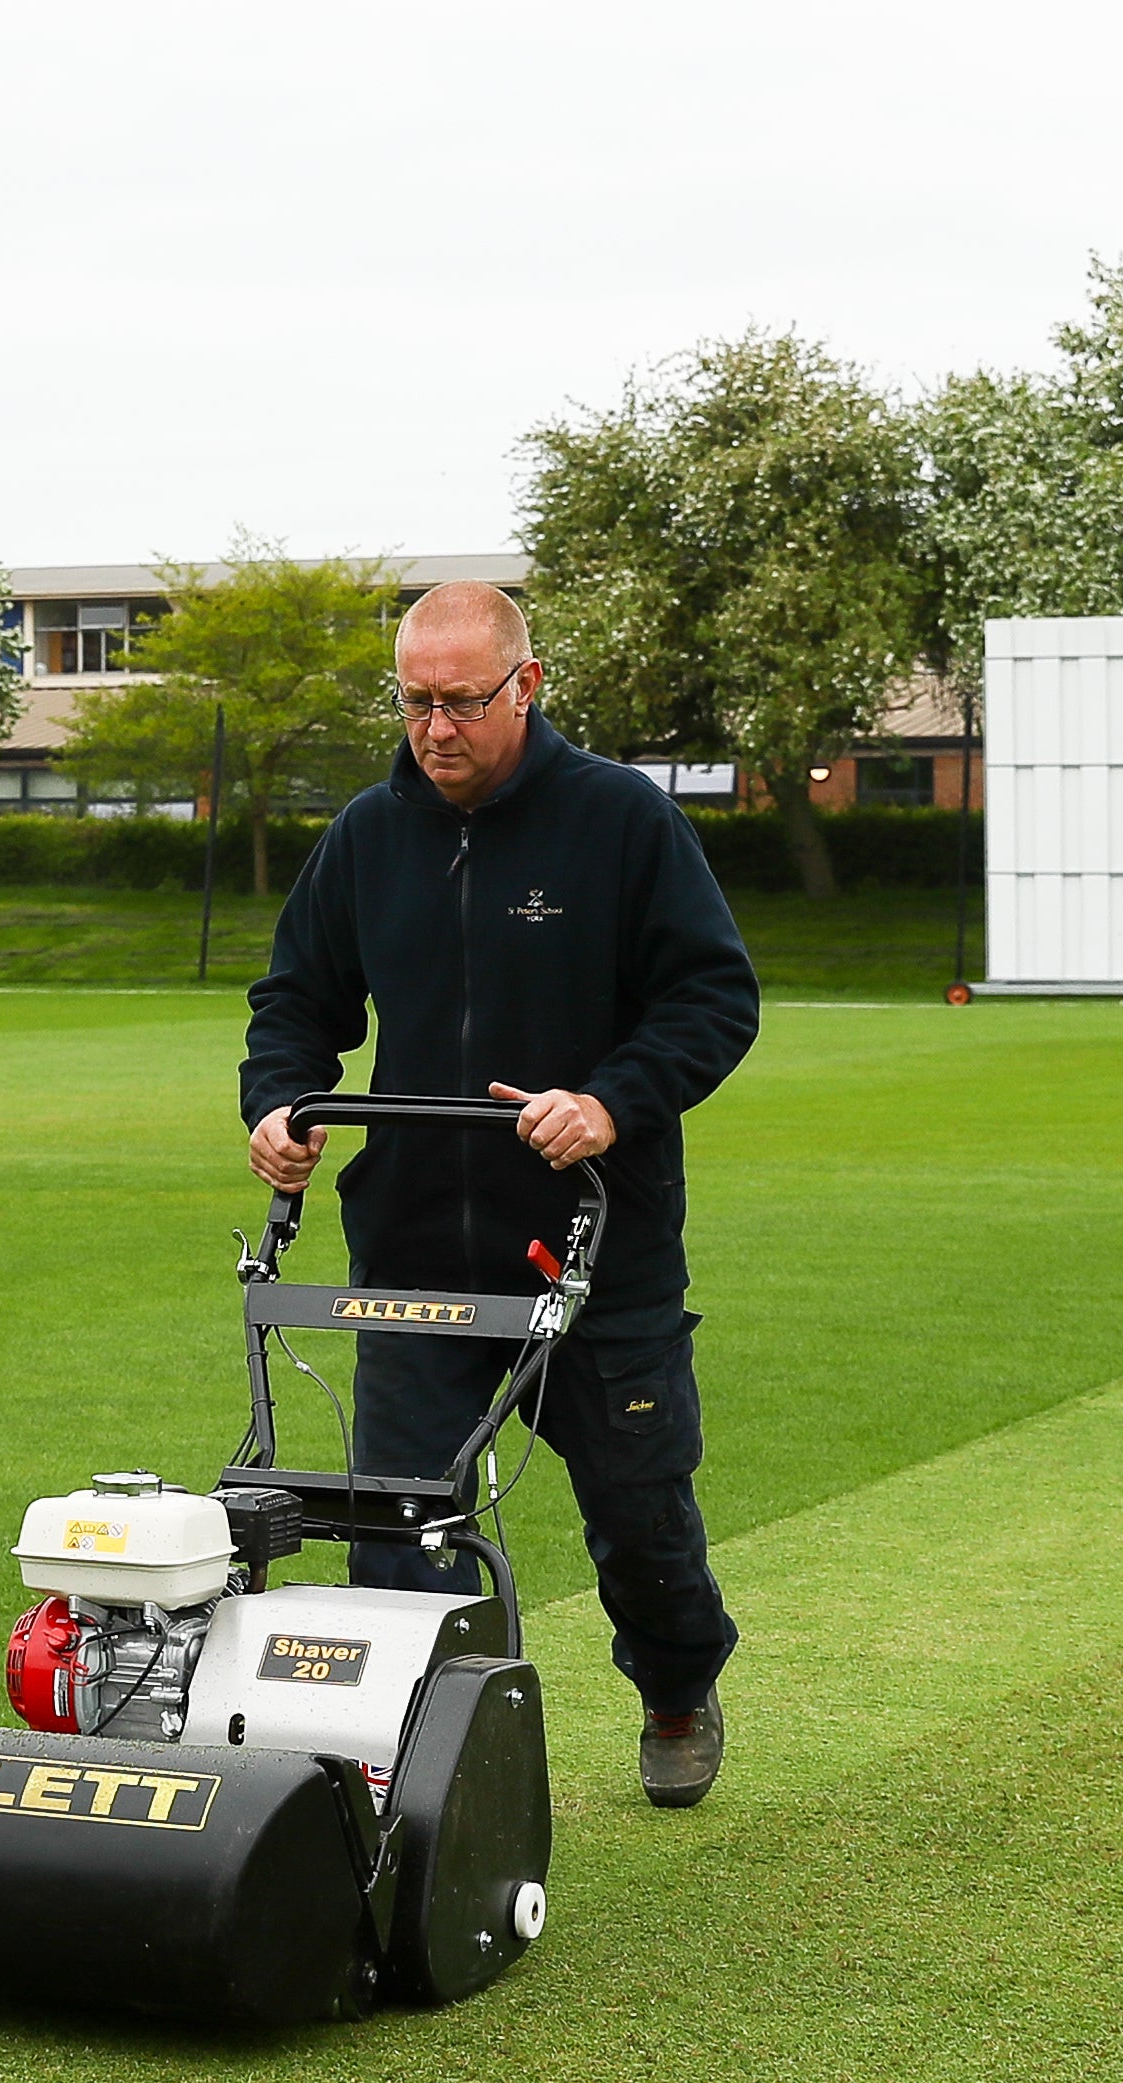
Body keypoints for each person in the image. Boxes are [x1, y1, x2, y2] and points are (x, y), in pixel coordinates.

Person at [240, 580, 761, 1808]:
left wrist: (611, 1100)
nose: (437, 726)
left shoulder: (620, 822)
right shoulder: (368, 836)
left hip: (592, 1247)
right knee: (395, 1523)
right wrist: (280, 1101)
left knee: (641, 1514)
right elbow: (298, 1000)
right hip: (417, 1246)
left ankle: (679, 1681)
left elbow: (712, 997)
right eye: (416, 700)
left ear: (527, 687)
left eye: (463, 700)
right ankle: (418, 1775)